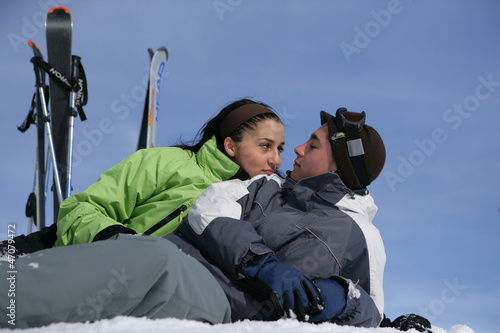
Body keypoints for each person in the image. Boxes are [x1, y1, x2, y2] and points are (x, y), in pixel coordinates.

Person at [167, 108, 387, 327]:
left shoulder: (363, 236)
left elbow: (372, 315)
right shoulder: (268, 186)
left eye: (312, 146)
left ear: (338, 166)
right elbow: (206, 211)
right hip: (173, 262)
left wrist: (341, 298)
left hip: (211, 306)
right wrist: (259, 262)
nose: (298, 149)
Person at [0, 98, 285, 255]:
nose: (276, 159)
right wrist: (120, 241)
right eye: (265, 146)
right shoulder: (166, 162)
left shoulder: (267, 202)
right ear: (230, 145)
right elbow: (83, 209)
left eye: (280, 148)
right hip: (71, 257)